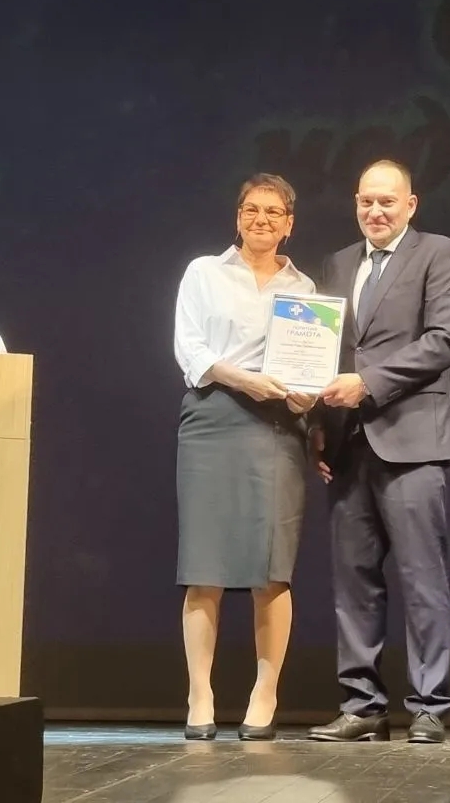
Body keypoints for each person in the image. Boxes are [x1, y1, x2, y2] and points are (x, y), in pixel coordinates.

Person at [309, 159, 450, 744]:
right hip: (349, 443)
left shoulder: (440, 254)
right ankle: (362, 706)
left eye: (387, 202)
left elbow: (444, 340)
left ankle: (428, 705)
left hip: (413, 440)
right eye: (366, 202)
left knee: (422, 578)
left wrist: (368, 383)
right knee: (353, 582)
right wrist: (318, 425)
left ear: (410, 204)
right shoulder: (338, 264)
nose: (375, 211)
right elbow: (327, 350)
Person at [172, 173, 319, 742]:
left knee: (271, 568)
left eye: (274, 212)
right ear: (238, 217)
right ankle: (200, 693)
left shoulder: (304, 288)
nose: (262, 219)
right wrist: (244, 379)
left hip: (278, 426)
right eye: (252, 209)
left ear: (289, 224)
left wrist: (307, 394)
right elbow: (190, 347)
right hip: (213, 418)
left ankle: (265, 692)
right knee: (204, 564)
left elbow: (308, 366)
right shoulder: (203, 273)